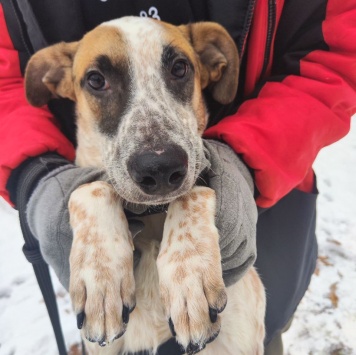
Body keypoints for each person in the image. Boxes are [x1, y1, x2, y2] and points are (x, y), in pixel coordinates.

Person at [0, 0, 355, 354]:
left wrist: (241, 164)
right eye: (97, 80)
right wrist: (38, 175)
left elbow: (338, 56)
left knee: (264, 323)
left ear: (211, 66)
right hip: (93, 195)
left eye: (178, 70)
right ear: (57, 82)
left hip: (264, 197)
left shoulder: (205, 47)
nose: (153, 146)